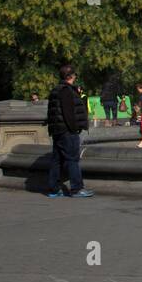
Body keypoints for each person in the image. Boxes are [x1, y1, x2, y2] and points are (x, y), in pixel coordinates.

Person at [46, 65, 93, 198]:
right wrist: (74, 129)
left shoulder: (56, 90)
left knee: (57, 159)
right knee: (72, 159)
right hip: (67, 131)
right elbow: (69, 113)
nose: (75, 77)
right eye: (74, 75)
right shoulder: (66, 90)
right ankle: (77, 188)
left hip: (57, 130)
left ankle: (54, 189)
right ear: (70, 76)